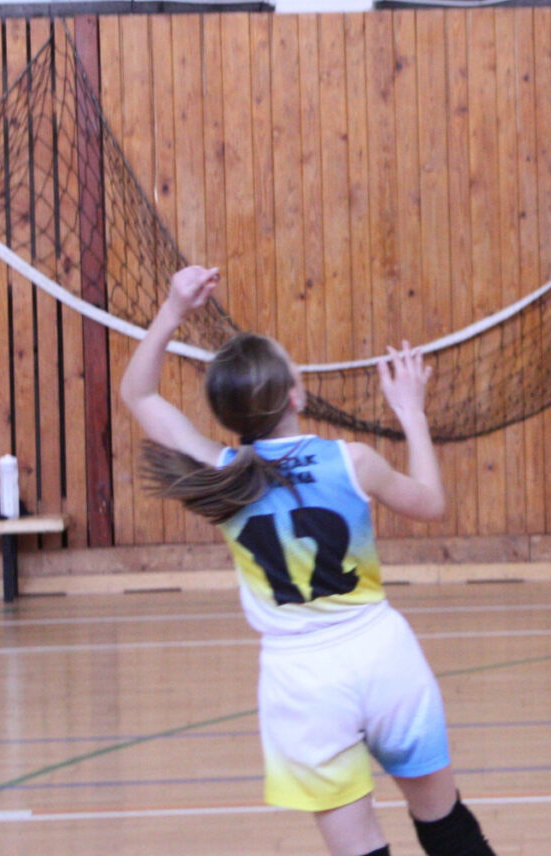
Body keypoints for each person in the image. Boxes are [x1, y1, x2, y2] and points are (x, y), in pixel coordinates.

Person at [121, 267, 496, 856]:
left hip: (302, 682)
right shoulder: (352, 460)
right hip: (384, 657)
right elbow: (431, 503)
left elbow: (138, 394)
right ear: (295, 396)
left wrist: (172, 310)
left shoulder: (224, 474)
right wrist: (412, 414)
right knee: (447, 827)